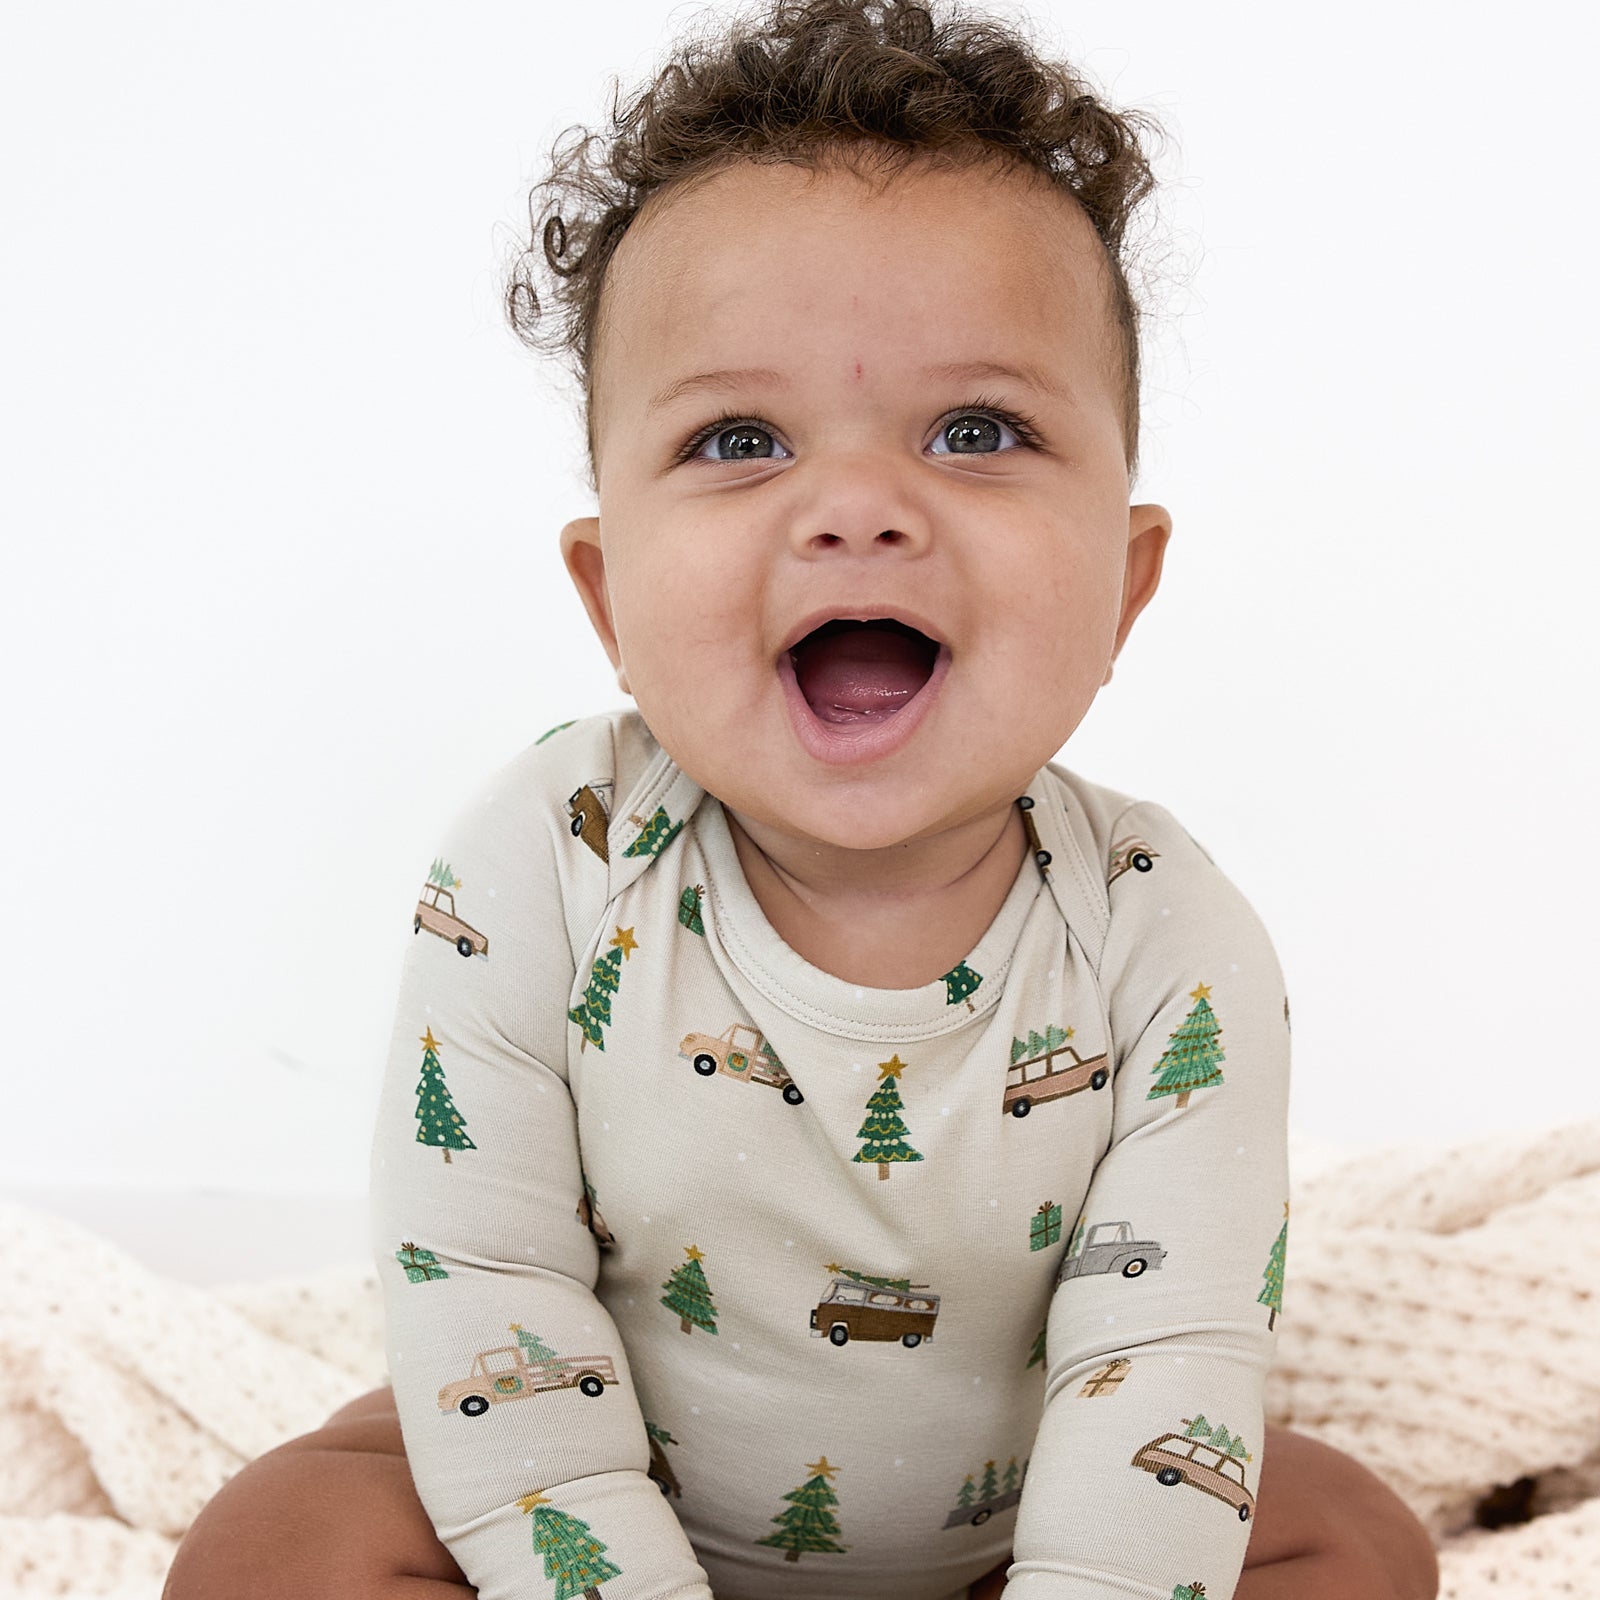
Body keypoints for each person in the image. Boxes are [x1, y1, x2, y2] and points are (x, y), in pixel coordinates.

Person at [163, 1, 1441, 1596]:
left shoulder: (1164, 938)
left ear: (1123, 587)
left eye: (977, 432)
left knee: (1353, 1537)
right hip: (600, 1488)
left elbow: (1164, 1361)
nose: (856, 510)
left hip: (1013, 1529)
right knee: (278, 1541)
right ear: (609, 597)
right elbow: (489, 1287)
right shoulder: (543, 866)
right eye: (739, 438)